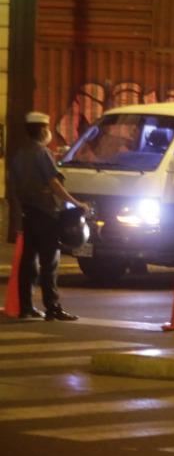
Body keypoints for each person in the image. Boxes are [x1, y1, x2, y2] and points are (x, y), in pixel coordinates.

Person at [5, 111, 88, 321]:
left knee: (28, 263)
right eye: (47, 129)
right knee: (49, 262)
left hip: (28, 214)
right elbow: (54, 183)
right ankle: (53, 308)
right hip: (46, 214)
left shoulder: (18, 155)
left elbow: (12, 187)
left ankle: (26, 307)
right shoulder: (42, 153)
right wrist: (76, 203)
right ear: (43, 131)